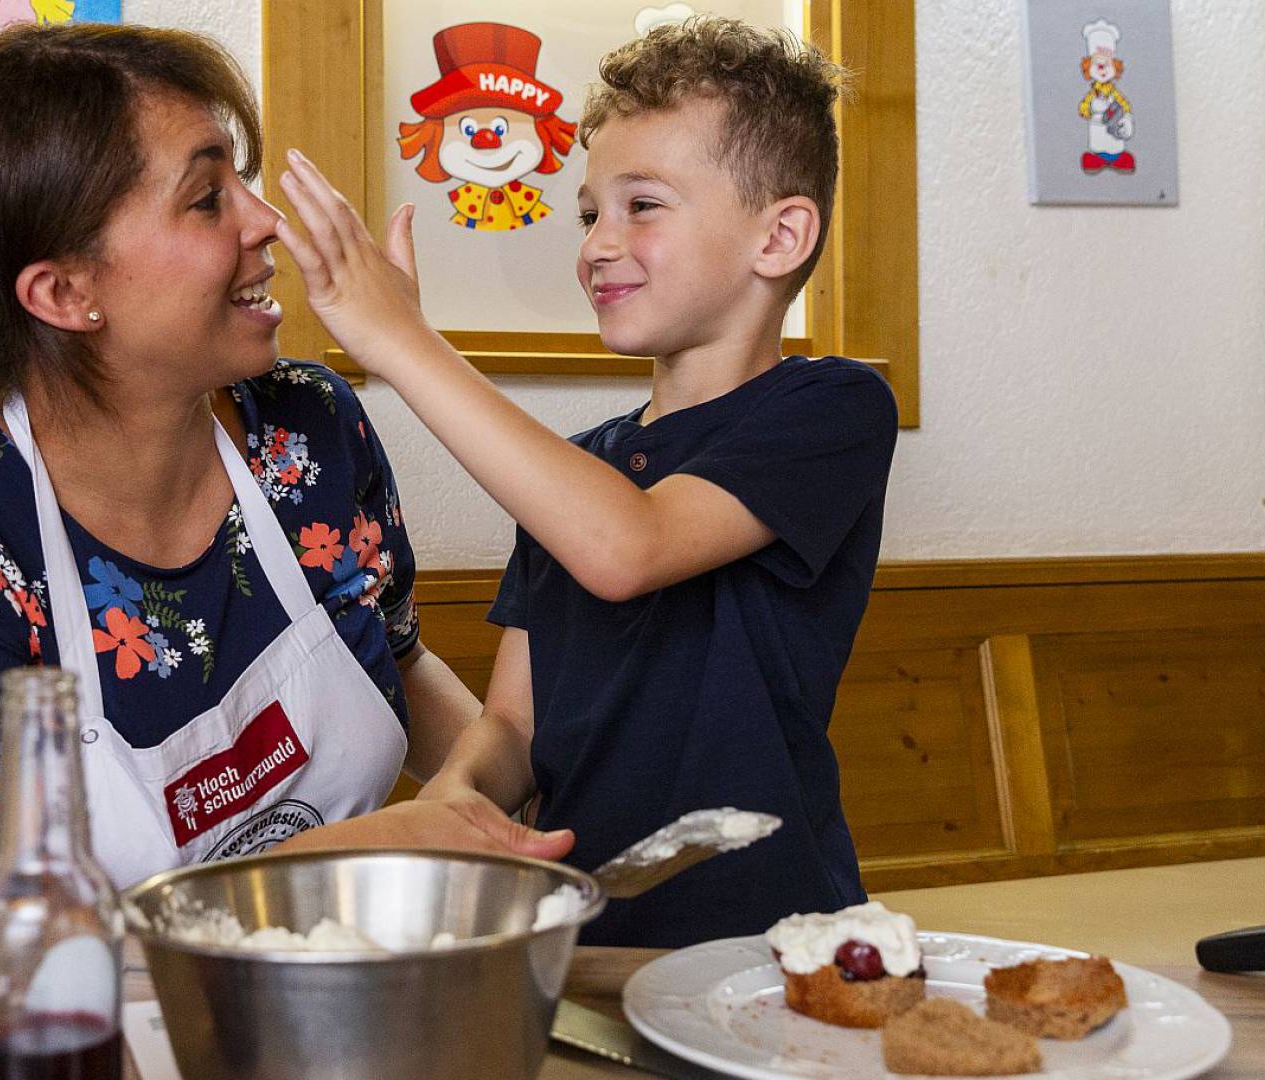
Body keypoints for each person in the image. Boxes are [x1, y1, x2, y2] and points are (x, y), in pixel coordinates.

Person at [0, 23, 571, 925]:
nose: (265, 221)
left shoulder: (309, 430)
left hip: (267, 982)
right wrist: (375, 854)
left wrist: (512, 818)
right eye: (209, 198)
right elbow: (27, 933)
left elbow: (400, 661)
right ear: (65, 293)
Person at [272, 16, 897, 946]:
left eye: (642, 205)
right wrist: (460, 791)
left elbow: (629, 548)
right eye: (589, 214)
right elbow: (516, 725)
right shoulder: (576, 473)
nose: (599, 244)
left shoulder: (834, 407)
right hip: (577, 934)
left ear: (780, 236)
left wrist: (404, 342)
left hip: (765, 937)